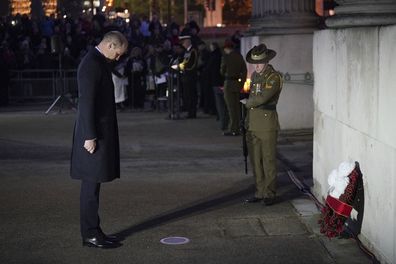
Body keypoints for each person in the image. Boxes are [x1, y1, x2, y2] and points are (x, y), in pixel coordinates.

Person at [70, 31, 128, 249]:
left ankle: (94, 230)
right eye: (118, 54)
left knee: (93, 185)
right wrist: (89, 136)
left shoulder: (97, 61)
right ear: (110, 46)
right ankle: (90, 234)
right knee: (90, 185)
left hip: (96, 131)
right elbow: (86, 102)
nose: (118, 58)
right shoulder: (91, 64)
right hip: (91, 135)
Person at [241, 44, 283, 206]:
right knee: (255, 160)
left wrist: (246, 102)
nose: (256, 66)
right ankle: (259, 191)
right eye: (254, 63)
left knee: (268, 160)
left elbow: (262, 98)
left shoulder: (274, 77)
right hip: (252, 123)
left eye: (259, 63)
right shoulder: (256, 77)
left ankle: (270, 193)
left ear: (267, 61)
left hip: (266, 123)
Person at [220, 39, 247, 136]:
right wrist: (242, 83)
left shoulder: (225, 57)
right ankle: (238, 127)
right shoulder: (239, 57)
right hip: (237, 84)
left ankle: (233, 129)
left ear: (226, 48)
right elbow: (244, 71)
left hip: (229, 83)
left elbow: (222, 71)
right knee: (237, 107)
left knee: (230, 108)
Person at [171, 34, 198, 118]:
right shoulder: (187, 51)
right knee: (187, 95)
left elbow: (191, 64)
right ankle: (189, 111)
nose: (182, 44)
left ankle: (192, 113)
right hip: (185, 76)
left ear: (187, 41)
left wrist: (179, 66)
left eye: (183, 42)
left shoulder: (193, 50)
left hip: (190, 76)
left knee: (191, 94)